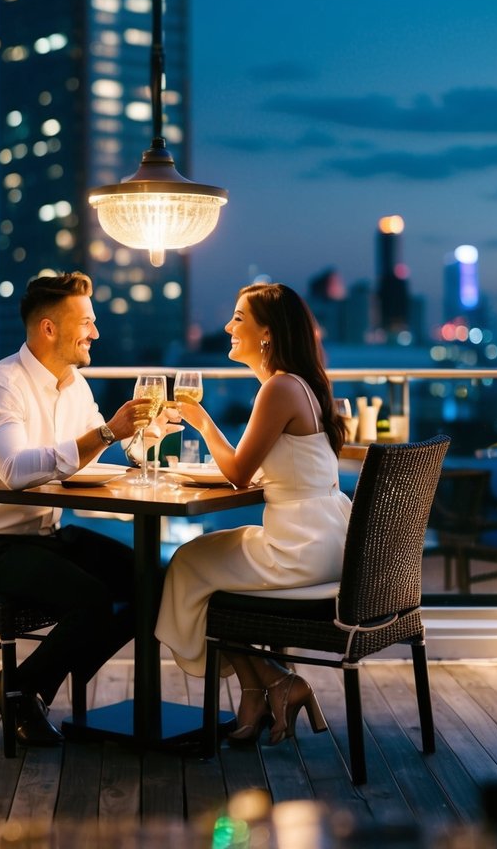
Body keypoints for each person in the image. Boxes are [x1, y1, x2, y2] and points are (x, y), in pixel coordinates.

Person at [0, 271, 151, 748]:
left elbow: (94, 452)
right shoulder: (0, 386)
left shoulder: (75, 385)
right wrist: (106, 434)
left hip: (44, 534)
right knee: (93, 600)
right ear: (48, 328)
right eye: (86, 322)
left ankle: (30, 683)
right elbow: (17, 470)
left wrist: (142, 434)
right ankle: (24, 690)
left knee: (153, 578)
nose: (95, 333)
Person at [155, 282, 350, 747]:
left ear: (267, 333)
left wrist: (203, 422)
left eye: (238, 317)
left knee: (187, 562)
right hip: (327, 537)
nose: (227, 325)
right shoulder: (301, 384)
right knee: (206, 564)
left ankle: (276, 678)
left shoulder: (279, 387)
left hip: (299, 548)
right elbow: (285, 469)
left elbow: (240, 474)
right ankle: (257, 691)